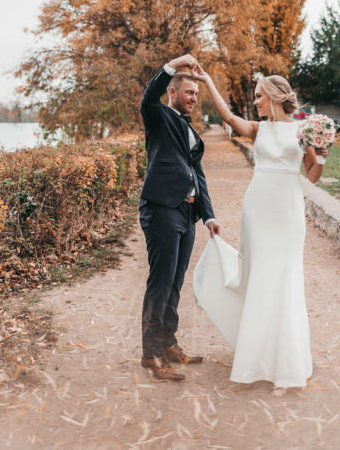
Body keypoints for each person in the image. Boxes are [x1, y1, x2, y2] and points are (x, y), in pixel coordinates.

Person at [189, 64, 327, 388]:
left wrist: (321, 156)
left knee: (286, 276)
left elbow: (313, 175)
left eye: (259, 96)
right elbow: (227, 116)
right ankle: (257, 358)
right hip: (258, 209)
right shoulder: (257, 129)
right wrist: (207, 80)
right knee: (260, 276)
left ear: (274, 96)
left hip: (288, 210)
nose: (255, 102)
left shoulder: (302, 130)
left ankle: (288, 360)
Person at [138, 54, 222, 382]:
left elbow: (197, 174)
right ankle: (150, 355)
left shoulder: (190, 131)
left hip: (186, 213)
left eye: (197, 96)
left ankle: (168, 343)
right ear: (173, 92)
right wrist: (177, 63)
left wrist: (208, 216)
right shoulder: (157, 116)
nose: (194, 99)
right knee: (160, 283)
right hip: (161, 209)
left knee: (174, 283)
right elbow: (148, 95)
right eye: (189, 93)